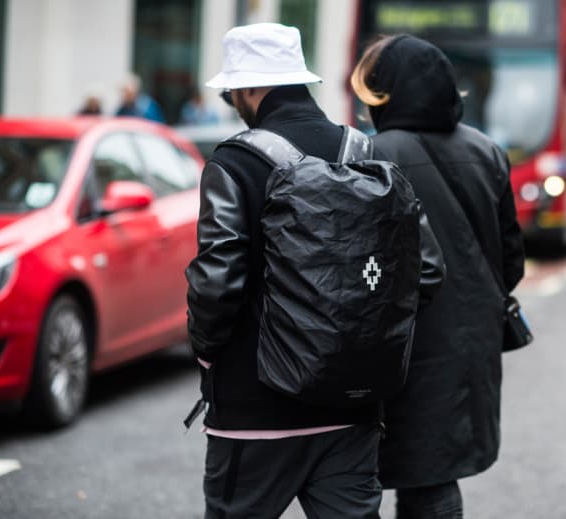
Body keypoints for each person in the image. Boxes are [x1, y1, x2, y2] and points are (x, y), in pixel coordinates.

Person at [185, 23, 444, 519]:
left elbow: (216, 285)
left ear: (251, 88)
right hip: (353, 407)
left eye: (233, 91)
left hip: (253, 412)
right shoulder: (366, 154)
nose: (233, 101)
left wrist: (207, 358)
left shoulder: (233, 164)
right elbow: (427, 270)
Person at [351, 35, 526, 518]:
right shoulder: (488, 152)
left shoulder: (366, 153)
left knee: (350, 484)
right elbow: (512, 263)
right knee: (433, 481)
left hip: (388, 351)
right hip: (464, 350)